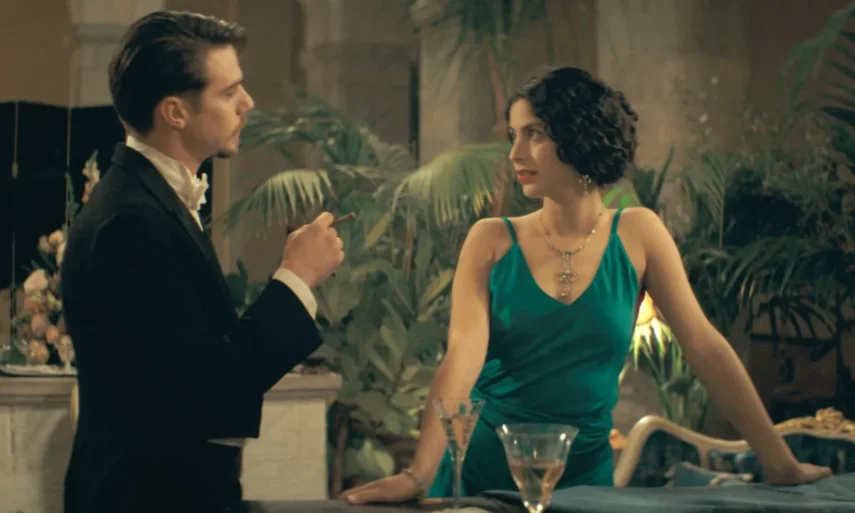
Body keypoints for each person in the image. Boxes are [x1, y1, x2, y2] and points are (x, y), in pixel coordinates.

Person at [341, 66, 832, 504]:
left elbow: (704, 347)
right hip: (483, 479)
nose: (515, 153)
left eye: (533, 134)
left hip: (585, 485)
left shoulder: (639, 234)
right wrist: (419, 474)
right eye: (513, 135)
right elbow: (461, 358)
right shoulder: (490, 240)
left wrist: (780, 465)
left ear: (578, 135)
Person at [60, 11, 344, 513]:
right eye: (229, 92)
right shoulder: (131, 222)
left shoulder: (147, 199)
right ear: (175, 111)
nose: (248, 103)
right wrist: (298, 276)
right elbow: (214, 386)